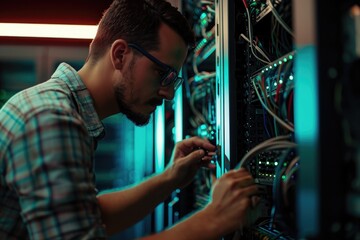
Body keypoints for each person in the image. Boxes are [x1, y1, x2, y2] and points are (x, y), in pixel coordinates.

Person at [0, 0, 259, 239]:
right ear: (120, 55)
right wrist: (215, 219)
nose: (168, 94)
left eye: (174, 81)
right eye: (162, 73)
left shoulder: (58, 110)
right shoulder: (51, 120)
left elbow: (89, 215)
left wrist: (170, 177)